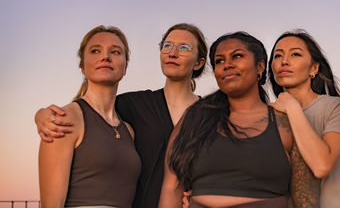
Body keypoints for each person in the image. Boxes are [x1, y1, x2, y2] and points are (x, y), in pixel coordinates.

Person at [35, 23, 207, 208]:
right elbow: (91, 111)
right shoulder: (132, 105)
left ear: (199, 62)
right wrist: (41, 115)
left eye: (184, 47)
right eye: (167, 45)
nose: (173, 53)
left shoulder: (212, 115)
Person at [158, 32, 320, 208]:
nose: (227, 65)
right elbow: (171, 188)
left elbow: (306, 199)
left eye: (237, 56)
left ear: (260, 66)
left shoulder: (285, 124)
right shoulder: (194, 119)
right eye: (219, 61)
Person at [39, 25, 141, 208]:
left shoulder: (129, 130)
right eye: (95, 50)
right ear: (83, 67)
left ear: (125, 66)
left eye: (116, 52)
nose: (105, 56)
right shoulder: (65, 119)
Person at [268, 30, 340, 208]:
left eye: (295, 54)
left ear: (314, 68)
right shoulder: (265, 115)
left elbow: (321, 165)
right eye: (278, 56)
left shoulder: (339, 107)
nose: (284, 61)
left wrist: (292, 107)